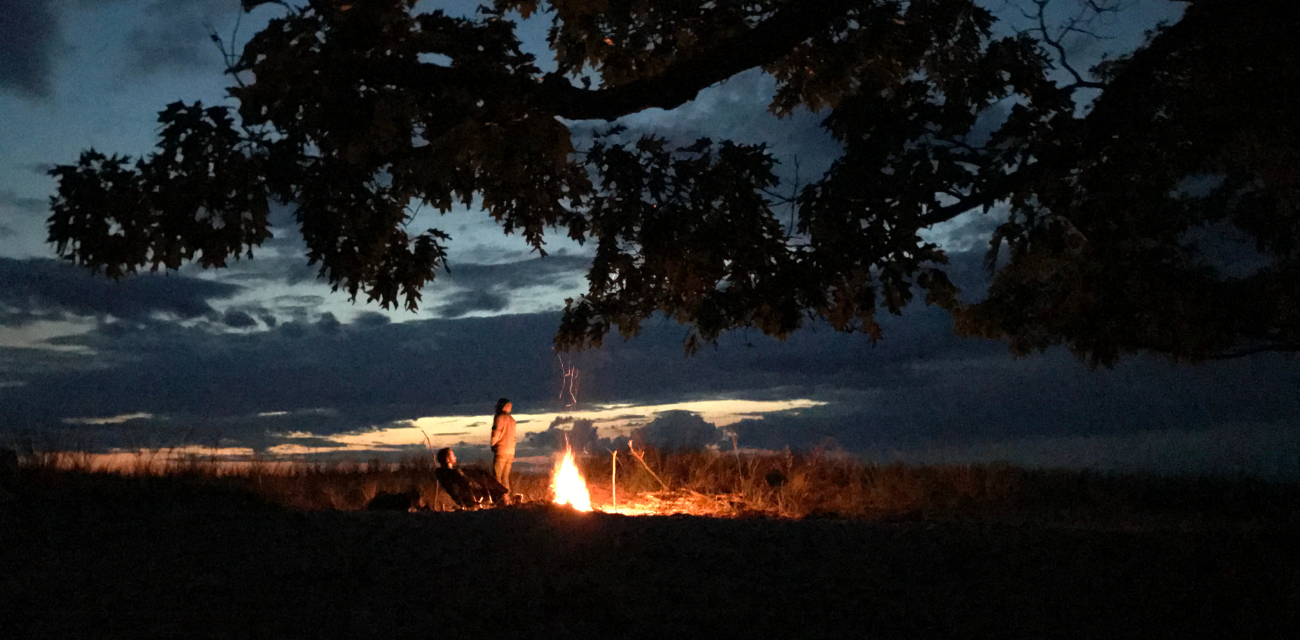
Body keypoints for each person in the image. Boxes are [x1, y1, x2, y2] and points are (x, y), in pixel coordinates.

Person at [434, 447, 507, 508]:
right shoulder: (453, 473)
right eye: (453, 455)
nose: (455, 457)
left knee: (479, 473)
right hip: (470, 497)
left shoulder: (443, 473)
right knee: (484, 477)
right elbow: (467, 484)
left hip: (465, 497)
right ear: (448, 459)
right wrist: (477, 485)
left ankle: (501, 491)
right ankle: (502, 497)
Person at [489, 397, 516, 492]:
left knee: (497, 478)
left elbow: (496, 433)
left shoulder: (499, 417)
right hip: (511, 452)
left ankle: (499, 500)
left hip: (501, 450)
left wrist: (492, 445)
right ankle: (506, 500)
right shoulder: (512, 420)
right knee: (505, 478)